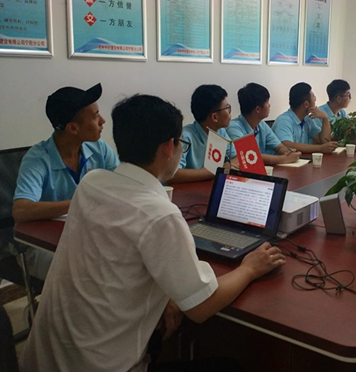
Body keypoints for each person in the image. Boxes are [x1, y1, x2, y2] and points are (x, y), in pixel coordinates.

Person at [20, 95, 285, 372]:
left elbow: (119, 260)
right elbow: (201, 307)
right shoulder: (161, 216)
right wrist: (250, 268)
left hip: (43, 360)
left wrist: (166, 294)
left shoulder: (90, 184)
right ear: (169, 147)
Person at [11, 83, 118, 279]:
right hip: (42, 244)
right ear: (73, 128)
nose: (102, 121)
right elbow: (21, 210)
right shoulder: (38, 159)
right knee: (89, 272)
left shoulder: (98, 148)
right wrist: (79, 202)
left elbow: (124, 183)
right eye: (95, 116)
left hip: (87, 234)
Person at [169, 85, 238, 183]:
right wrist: (214, 171)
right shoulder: (185, 137)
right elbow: (173, 174)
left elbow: (236, 157)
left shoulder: (220, 131)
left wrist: (227, 166)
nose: (230, 112)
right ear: (214, 117)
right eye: (227, 108)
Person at [226, 83, 302, 165]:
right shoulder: (233, 128)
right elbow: (249, 156)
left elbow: (279, 147)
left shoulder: (261, 124)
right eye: (267, 102)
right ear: (258, 109)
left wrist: (288, 152)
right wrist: (284, 159)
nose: (269, 105)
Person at [271, 83, 338, 154]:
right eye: (313, 96)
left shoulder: (307, 119)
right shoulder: (284, 121)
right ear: (306, 104)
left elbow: (323, 141)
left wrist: (325, 119)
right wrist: (320, 148)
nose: (315, 99)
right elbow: (287, 144)